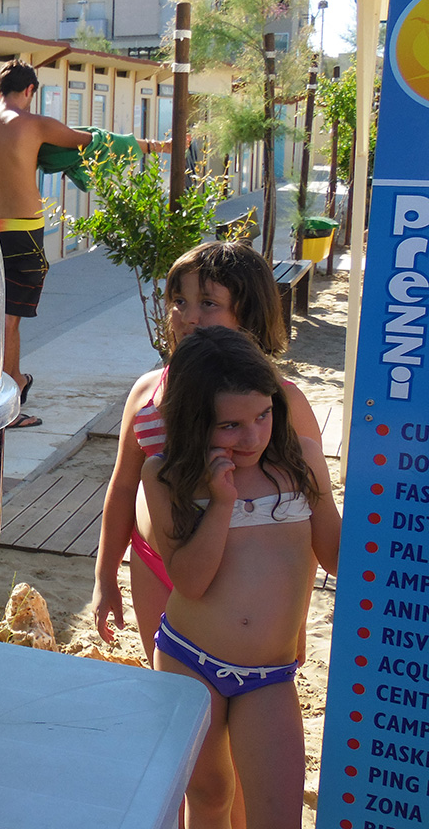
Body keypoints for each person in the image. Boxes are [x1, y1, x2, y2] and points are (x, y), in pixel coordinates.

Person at [141, 326, 339, 828]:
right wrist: (222, 502)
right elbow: (190, 582)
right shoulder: (167, 476)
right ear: (193, 419)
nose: (252, 436)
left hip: (268, 676)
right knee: (208, 799)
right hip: (189, 660)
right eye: (230, 425)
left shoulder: (301, 462)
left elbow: (337, 557)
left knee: (278, 815)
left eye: (264, 415)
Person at [92, 241, 323, 659]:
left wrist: (297, 619)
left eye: (209, 303)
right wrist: (105, 574)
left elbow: (301, 523)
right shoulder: (148, 393)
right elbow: (125, 486)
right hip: (153, 563)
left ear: (248, 314)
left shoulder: (279, 404)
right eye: (178, 300)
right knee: (173, 697)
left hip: (241, 576)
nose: (188, 315)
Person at [0, 60, 165, 429]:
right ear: (30, 90)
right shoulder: (36, 124)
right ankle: (7, 407)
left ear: (1, 88)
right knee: (10, 320)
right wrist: (154, 146)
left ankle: (17, 382)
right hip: (23, 231)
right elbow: (99, 142)